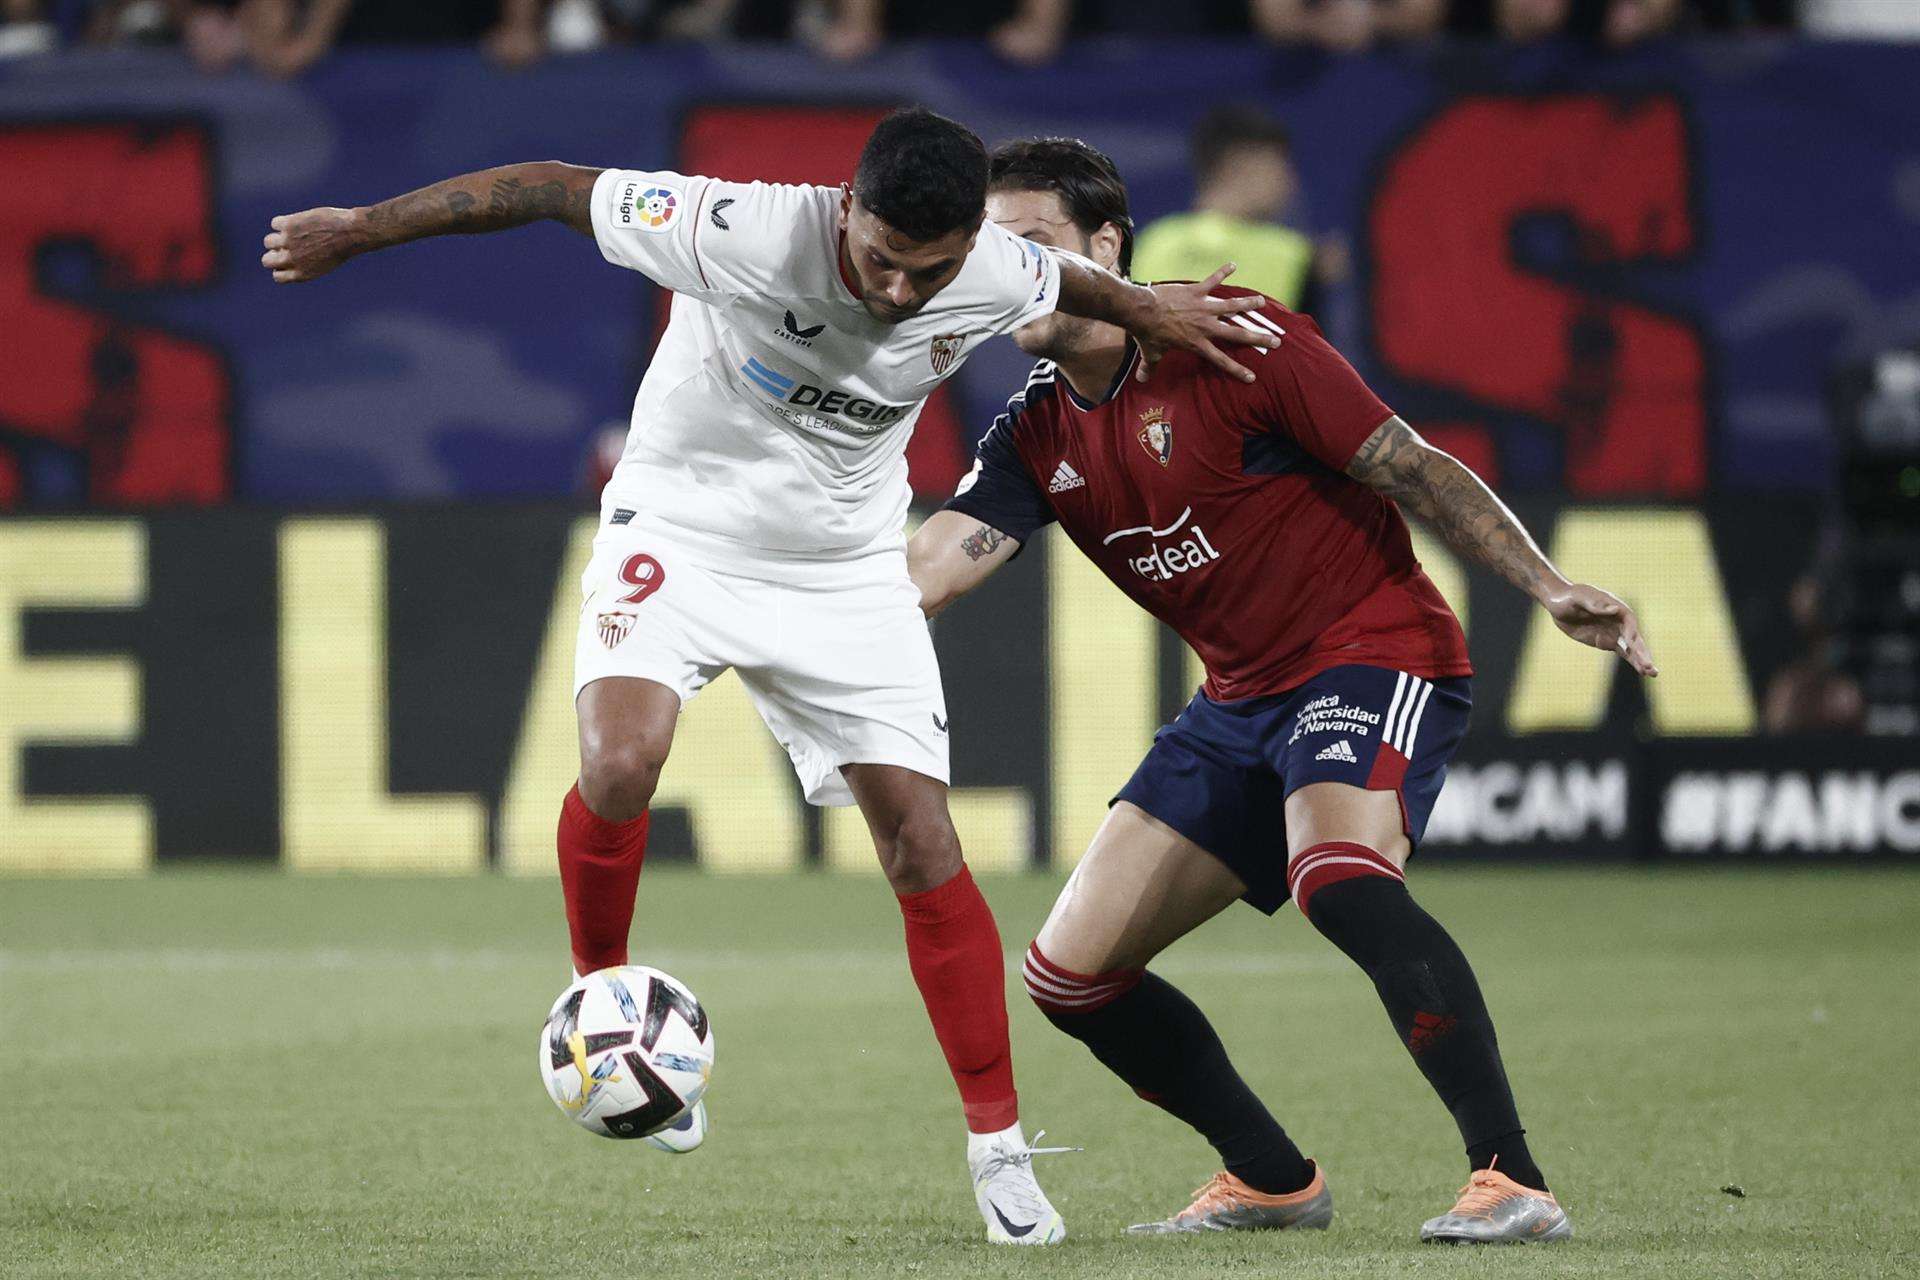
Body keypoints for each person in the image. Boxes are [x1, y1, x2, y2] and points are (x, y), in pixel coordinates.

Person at [259, 108, 1275, 1246]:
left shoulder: (994, 267)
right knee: (621, 757)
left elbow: (1090, 292)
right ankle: (612, 1011)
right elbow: (546, 184)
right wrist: (356, 229)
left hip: (842, 567)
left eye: (926, 272)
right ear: (847, 206)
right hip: (683, 527)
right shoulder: (734, 226)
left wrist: (1161, 308)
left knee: (920, 840)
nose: (897, 290)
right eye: (880, 257)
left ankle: (999, 1150)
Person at [909, 137, 1658, 1242]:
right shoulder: (1034, 428)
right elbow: (929, 569)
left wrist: (1547, 585)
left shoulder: (1235, 340)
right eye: (990, 253)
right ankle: (1270, 1176)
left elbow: (1408, 462)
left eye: (1034, 247)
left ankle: (1513, 1177)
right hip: (1239, 699)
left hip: (1371, 648)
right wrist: (765, 614)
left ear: (1105, 247)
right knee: (1070, 974)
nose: (1008, 273)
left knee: (1340, 874)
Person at [1132, 105, 1334, 314]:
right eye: (1279, 166)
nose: (1290, 182)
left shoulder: (1151, 242)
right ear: (1242, 166)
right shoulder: (1293, 255)